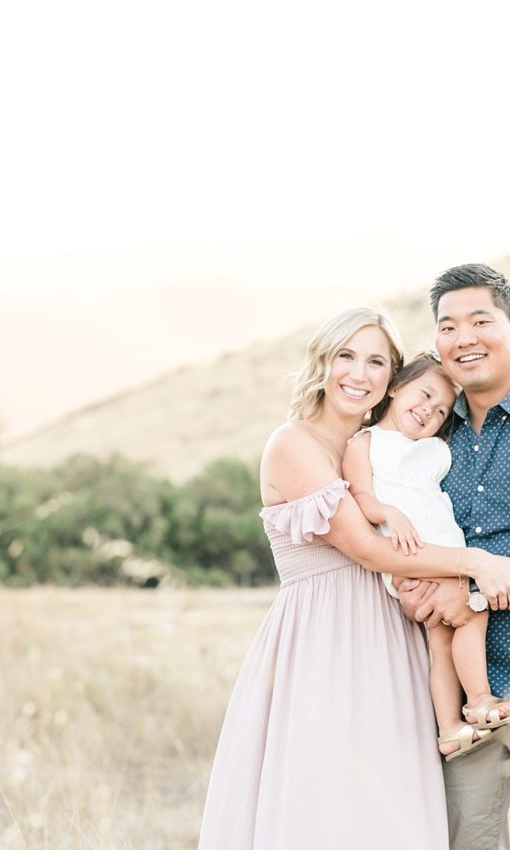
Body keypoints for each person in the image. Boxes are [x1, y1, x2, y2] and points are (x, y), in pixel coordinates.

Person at [197, 307, 510, 850]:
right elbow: (368, 549)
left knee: (393, 807)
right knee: (328, 802)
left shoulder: (385, 449)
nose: (359, 374)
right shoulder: (295, 443)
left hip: (391, 640)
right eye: (346, 356)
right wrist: (473, 565)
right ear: (323, 360)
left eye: (376, 362)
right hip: (324, 645)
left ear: (393, 380)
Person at [343, 352, 510, 763]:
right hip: (413, 553)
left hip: (446, 552)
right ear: (396, 387)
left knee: (445, 640)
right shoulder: (366, 443)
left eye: (440, 410)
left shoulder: (433, 449)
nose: (428, 411)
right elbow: (360, 495)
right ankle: (479, 700)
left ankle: (452, 729)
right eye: (424, 395)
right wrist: (388, 513)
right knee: (471, 616)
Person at [397, 264, 510, 850]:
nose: (463, 337)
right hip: (472, 709)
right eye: (448, 325)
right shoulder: (429, 436)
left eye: (481, 320)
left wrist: (479, 576)